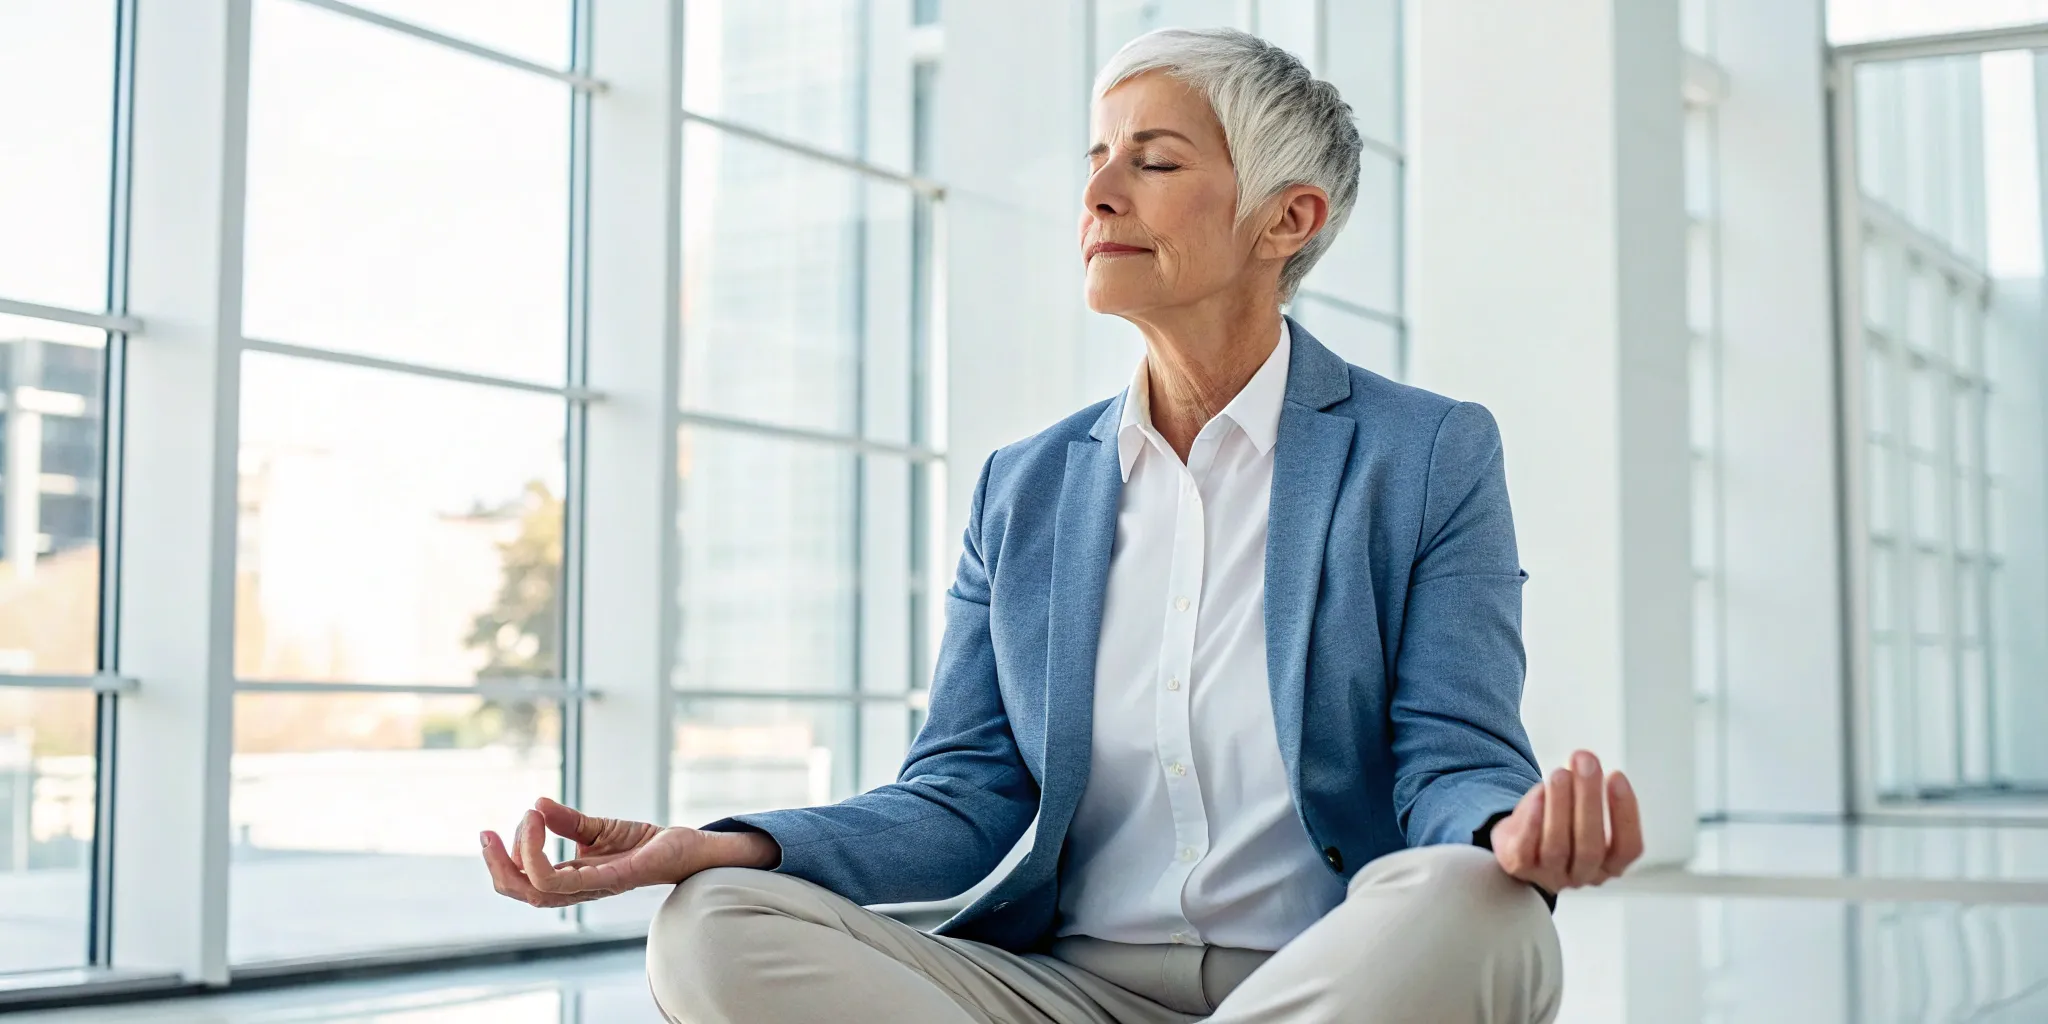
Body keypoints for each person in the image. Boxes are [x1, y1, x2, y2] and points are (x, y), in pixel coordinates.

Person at [482, 27, 1643, 1024]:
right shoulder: (1023, 486)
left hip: (1321, 972)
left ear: (1284, 218)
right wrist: (719, 843)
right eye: (1098, 158)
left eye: (1153, 160)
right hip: (1060, 990)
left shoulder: (1423, 453)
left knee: (1481, 912)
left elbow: (1450, 753)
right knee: (708, 927)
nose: (1096, 194)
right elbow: (960, 793)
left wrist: (1508, 830)